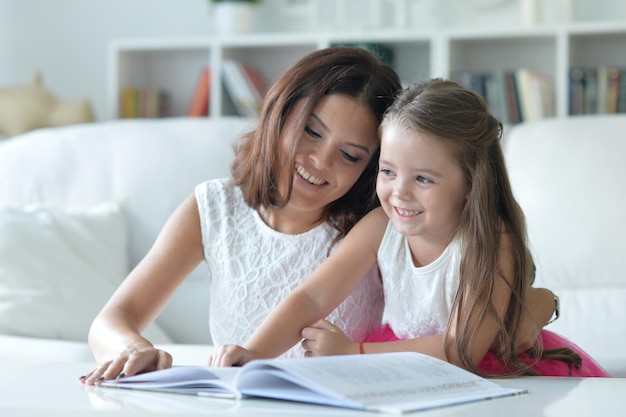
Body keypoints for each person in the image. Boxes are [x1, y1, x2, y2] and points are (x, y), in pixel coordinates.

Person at [82, 49, 556, 384]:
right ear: (281, 111)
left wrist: (527, 307)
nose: (320, 163)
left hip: (365, 390)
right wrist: (133, 349)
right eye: (311, 130)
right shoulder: (214, 210)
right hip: (255, 395)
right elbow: (112, 320)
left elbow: (462, 324)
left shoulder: (388, 217)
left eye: (351, 155)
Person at [209, 78, 608, 377]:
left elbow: (461, 351)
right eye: (387, 171)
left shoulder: (489, 241)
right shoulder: (382, 225)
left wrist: (354, 354)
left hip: (482, 370)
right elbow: (312, 297)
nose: (399, 193)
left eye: (423, 179)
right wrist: (255, 352)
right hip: (401, 361)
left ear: (470, 185)